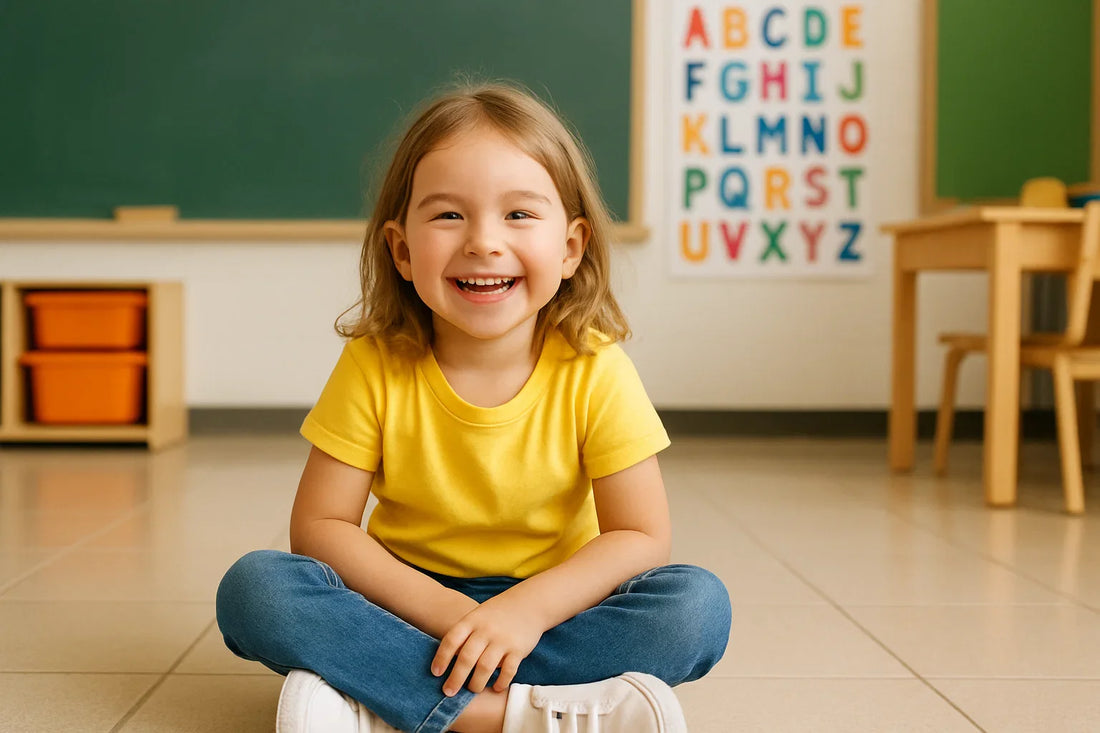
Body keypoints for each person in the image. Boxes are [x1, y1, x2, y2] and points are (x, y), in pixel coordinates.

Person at [216, 81, 731, 733]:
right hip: (403, 601)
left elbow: (639, 536)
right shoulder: (375, 363)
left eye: (519, 214)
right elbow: (320, 526)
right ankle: (517, 714)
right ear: (401, 249)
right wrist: (450, 613)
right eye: (449, 215)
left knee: (695, 607)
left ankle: (381, 699)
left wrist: (520, 613)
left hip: (553, 606)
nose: (485, 242)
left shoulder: (596, 367)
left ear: (571, 246)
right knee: (255, 589)